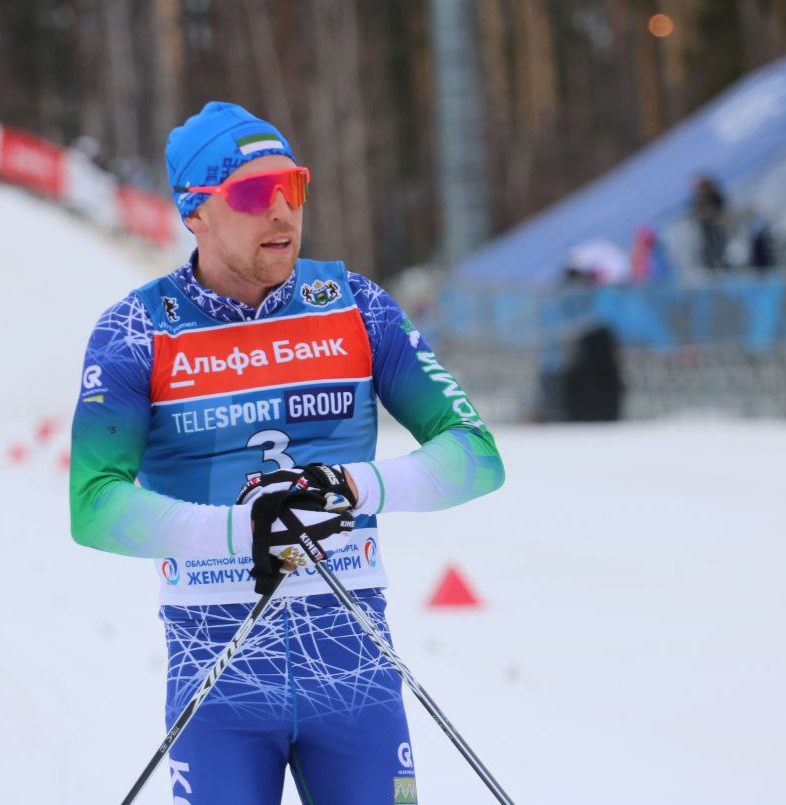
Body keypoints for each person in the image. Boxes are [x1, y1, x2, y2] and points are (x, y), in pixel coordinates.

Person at [68, 101, 505, 804]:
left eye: (292, 186)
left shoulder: (356, 305)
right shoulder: (136, 331)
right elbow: (93, 505)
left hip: (353, 668)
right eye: (252, 193)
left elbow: (477, 455)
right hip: (220, 675)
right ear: (195, 210)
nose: (281, 211)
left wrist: (353, 487)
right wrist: (244, 528)